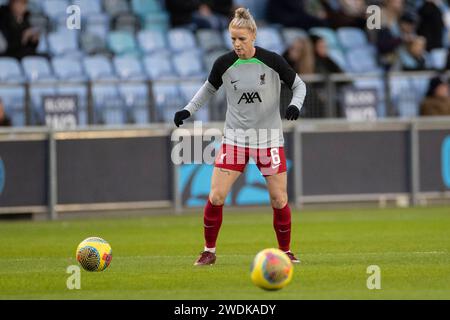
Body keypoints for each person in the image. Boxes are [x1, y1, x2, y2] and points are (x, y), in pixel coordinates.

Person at [173, 8, 306, 266]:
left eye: (241, 39)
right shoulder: (224, 63)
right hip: (235, 140)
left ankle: (285, 252)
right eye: (233, 38)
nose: (236, 44)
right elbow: (208, 89)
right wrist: (188, 109)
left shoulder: (273, 61)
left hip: (268, 140)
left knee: (279, 199)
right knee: (216, 196)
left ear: (253, 35)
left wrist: (295, 105)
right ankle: (208, 251)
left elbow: (299, 85)